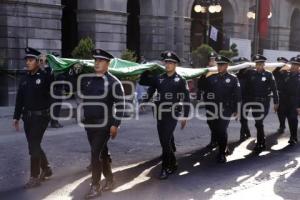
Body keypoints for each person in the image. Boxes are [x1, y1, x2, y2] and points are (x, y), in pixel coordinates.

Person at [81, 49, 125, 199]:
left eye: (100, 61)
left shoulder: (113, 82)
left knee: (95, 153)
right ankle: (111, 180)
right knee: (102, 153)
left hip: (104, 125)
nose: (97, 63)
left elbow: (120, 105)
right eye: (96, 61)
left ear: (107, 64)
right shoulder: (89, 80)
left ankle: (95, 186)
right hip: (90, 125)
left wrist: (115, 124)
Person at [139, 51, 190, 180]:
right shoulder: (159, 78)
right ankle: (173, 162)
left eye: (170, 63)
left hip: (173, 113)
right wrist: (144, 101)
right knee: (164, 141)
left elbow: (186, 99)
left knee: (166, 140)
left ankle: (165, 168)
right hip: (160, 113)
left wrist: (185, 115)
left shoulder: (180, 80)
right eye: (166, 62)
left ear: (175, 65)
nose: (167, 65)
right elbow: (150, 89)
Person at [13, 47, 53, 188]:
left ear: (37, 62)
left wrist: (46, 66)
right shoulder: (24, 78)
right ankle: (47, 169)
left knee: (34, 146)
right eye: (27, 60)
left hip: (41, 118)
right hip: (28, 118)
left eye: (31, 60)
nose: (28, 62)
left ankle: (34, 177)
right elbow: (19, 99)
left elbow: (52, 83)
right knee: (33, 146)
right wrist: (16, 117)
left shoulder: (44, 76)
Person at [198, 55, 241, 163]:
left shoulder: (233, 79)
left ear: (226, 66)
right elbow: (201, 86)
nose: (219, 66)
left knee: (222, 130)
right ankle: (223, 144)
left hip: (226, 109)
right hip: (212, 108)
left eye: (222, 65)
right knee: (213, 127)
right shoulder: (211, 78)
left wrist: (237, 109)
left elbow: (237, 95)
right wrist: (203, 74)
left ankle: (222, 153)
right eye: (218, 65)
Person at [245, 54, 279, 152]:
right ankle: (261, 140)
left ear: (264, 64)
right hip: (254, 103)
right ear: (255, 65)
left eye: (260, 64)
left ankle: (261, 143)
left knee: (259, 122)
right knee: (258, 123)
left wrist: (276, 102)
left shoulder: (268, 74)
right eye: (257, 64)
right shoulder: (251, 74)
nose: (259, 66)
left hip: (264, 103)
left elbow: (274, 89)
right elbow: (246, 86)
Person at [276, 57, 300, 145]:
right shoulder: (286, 74)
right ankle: (292, 135)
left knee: (293, 119)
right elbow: (276, 75)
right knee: (288, 119)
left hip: (295, 102)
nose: (294, 66)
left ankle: (293, 137)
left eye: (296, 65)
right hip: (284, 101)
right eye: (293, 64)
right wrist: (280, 67)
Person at [197, 52, 219, 149]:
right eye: (211, 59)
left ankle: (216, 140)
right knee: (210, 121)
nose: (212, 61)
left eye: (214, 60)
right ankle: (215, 139)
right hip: (209, 101)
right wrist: (198, 97)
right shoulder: (206, 72)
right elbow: (200, 85)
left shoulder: (220, 72)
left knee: (218, 122)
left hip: (219, 102)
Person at [234, 57, 252, 142]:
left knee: (243, 117)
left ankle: (242, 134)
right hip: (239, 99)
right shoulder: (236, 75)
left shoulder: (250, 74)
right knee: (242, 118)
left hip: (247, 99)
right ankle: (247, 132)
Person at [273, 57, 289, 134]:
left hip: (289, 95)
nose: (280, 65)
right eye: (279, 63)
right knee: (280, 111)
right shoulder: (276, 72)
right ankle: (282, 126)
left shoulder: (288, 71)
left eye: (281, 63)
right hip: (280, 94)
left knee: (290, 112)